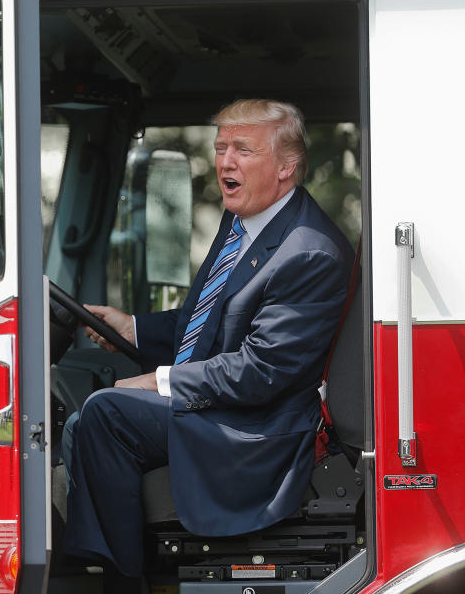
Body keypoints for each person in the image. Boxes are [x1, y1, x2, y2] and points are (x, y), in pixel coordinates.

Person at [61, 99, 354, 592]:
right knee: (80, 420)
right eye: (221, 148)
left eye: (243, 149)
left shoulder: (308, 252)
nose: (225, 162)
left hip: (258, 431)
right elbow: (211, 321)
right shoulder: (242, 222)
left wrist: (161, 381)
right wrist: (133, 328)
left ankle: (122, 580)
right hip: (227, 408)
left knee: (103, 416)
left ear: (286, 167)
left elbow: (261, 371)